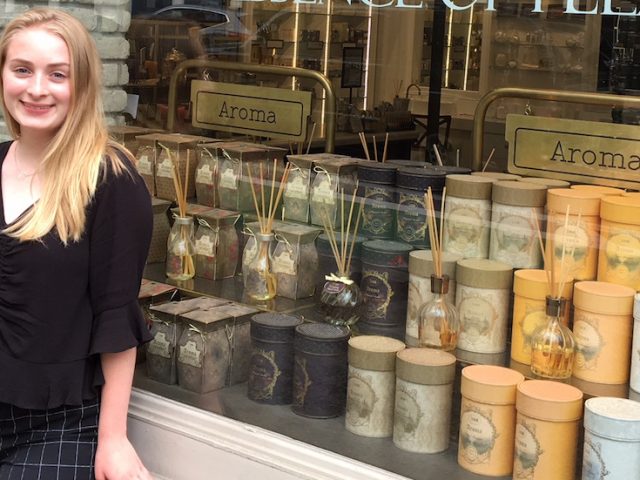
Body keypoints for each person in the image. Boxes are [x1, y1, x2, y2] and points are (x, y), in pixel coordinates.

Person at [0, 8, 153, 479]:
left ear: (82, 84)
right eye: (22, 69)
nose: (37, 88)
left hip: (57, 422)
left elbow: (116, 314)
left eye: (57, 74)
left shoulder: (110, 180)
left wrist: (113, 438)